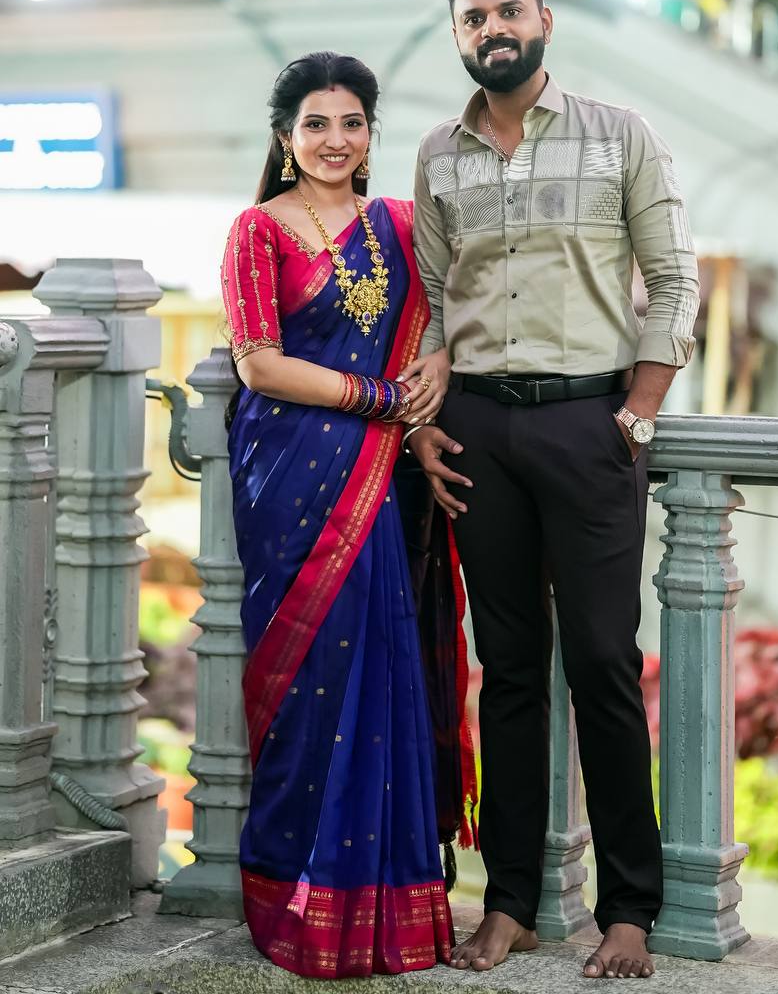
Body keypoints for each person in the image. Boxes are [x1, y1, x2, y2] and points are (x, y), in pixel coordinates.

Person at [402, 0, 700, 980]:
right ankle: (512, 904)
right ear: (457, 33)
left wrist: (639, 412)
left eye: (507, 11)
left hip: (588, 424)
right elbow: (431, 303)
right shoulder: (438, 154)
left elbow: (673, 279)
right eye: (473, 17)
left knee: (606, 663)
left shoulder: (620, 135)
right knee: (510, 671)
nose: (493, 29)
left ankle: (629, 910)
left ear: (543, 21)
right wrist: (425, 420)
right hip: (478, 432)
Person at [220, 51, 462, 978]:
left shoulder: (397, 224)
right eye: (316, 124)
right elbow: (258, 363)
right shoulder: (258, 229)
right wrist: (379, 399)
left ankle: (383, 908)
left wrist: (433, 376)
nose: (335, 140)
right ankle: (292, 899)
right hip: (291, 480)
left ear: (369, 133)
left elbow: (443, 319)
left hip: (377, 480)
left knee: (381, 672)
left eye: (351, 122)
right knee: (308, 681)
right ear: (286, 138)